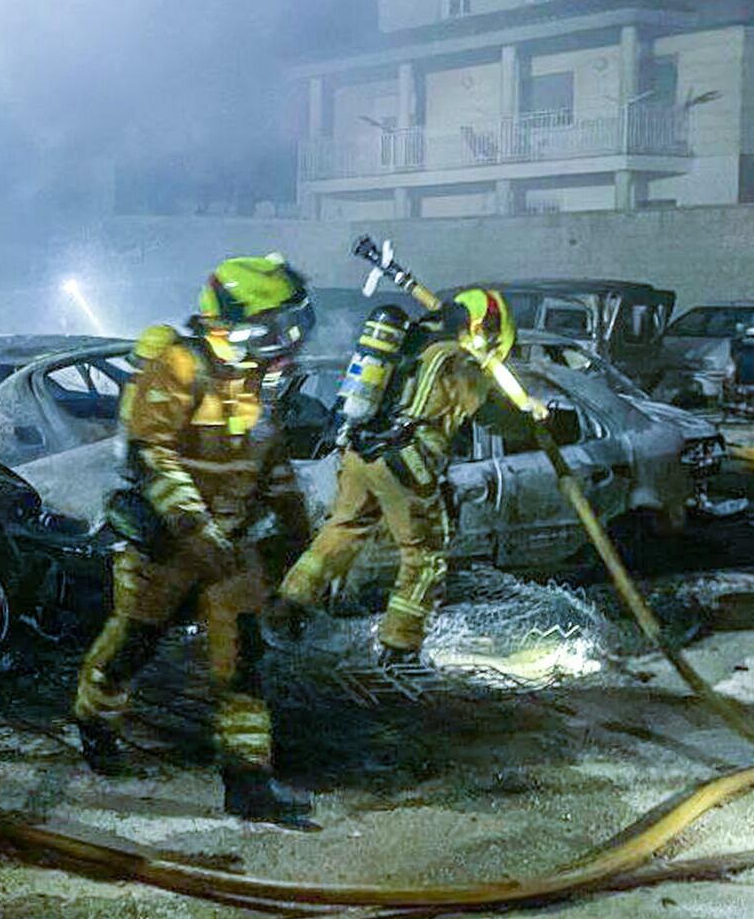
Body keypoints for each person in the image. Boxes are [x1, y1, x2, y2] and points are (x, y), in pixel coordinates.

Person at [72, 254, 319, 828]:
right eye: (275, 326)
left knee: (242, 663)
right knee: (132, 645)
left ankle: (248, 784)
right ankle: (94, 719)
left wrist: (295, 531)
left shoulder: (257, 381)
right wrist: (193, 525)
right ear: (231, 324)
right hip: (168, 546)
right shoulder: (180, 367)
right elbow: (150, 451)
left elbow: (272, 464)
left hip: (228, 549)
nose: (287, 341)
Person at [274, 287, 518, 664]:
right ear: (482, 328)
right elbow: (493, 417)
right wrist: (532, 415)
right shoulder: (455, 360)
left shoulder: (411, 340)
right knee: (425, 555)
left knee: (343, 528)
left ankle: (288, 609)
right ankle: (400, 648)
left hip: (358, 453)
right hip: (404, 462)